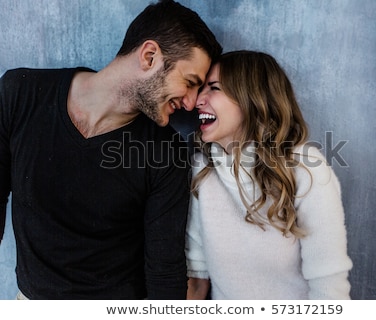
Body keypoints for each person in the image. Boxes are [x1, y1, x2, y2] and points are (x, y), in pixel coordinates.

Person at [0, 0, 222, 299]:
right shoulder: (20, 92)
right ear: (149, 56)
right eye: (190, 82)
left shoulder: (166, 151)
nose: (192, 102)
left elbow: (164, 271)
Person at [185, 50, 353, 300]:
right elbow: (197, 277)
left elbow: (329, 288)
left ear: (251, 99)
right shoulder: (204, 170)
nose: (198, 99)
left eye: (214, 88)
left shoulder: (306, 169)